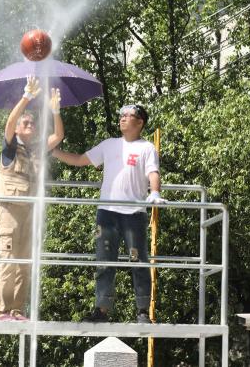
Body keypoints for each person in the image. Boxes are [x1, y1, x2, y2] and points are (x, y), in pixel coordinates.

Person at [51, 104, 165, 324]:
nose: (122, 119)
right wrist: (54, 152)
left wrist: (155, 192)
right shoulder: (109, 144)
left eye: (128, 116)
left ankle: (143, 311)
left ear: (140, 122)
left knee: (138, 260)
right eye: (121, 115)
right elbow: (80, 160)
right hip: (106, 213)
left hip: (133, 213)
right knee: (104, 261)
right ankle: (101, 310)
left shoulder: (146, 148)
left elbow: (153, 172)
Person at [0, 76, 63, 321]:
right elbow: (10, 122)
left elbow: (58, 136)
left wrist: (55, 112)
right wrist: (27, 97)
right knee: (9, 260)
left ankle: (17, 310)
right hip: (10, 210)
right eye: (27, 122)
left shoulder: (34, 149)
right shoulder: (10, 145)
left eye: (33, 121)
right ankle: (1, 311)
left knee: (25, 263)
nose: (30, 123)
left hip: (29, 212)